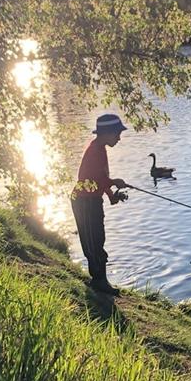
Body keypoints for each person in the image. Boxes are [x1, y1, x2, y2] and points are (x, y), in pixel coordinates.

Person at [70, 113, 129, 294]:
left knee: (98, 238)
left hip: (93, 200)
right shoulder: (94, 150)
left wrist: (112, 196)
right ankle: (98, 282)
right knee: (92, 241)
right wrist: (113, 182)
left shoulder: (100, 149)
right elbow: (90, 179)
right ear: (107, 133)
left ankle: (100, 280)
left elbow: (101, 178)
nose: (119, 138)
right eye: (117, 134)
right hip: (83, 201)